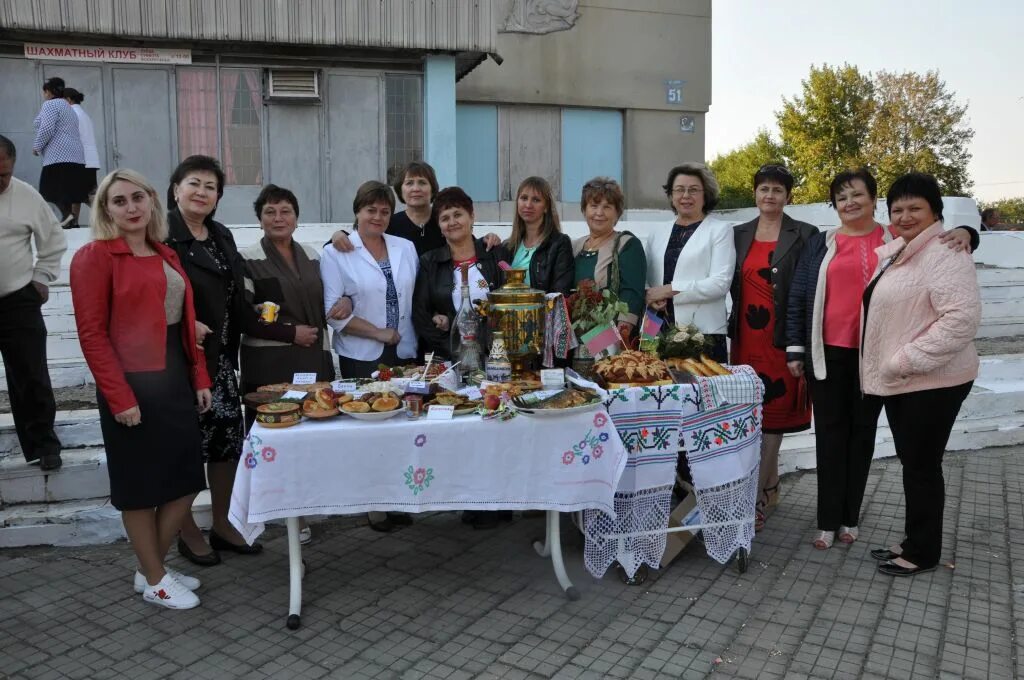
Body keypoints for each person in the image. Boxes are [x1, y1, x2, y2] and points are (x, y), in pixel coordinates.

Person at [786, 168, 977, 550]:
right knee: (829, 436)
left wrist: (969, 233)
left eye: (857, 195)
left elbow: (942, 245)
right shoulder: (820, 243)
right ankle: (826, 520)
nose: (849, 202)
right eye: (841, 197)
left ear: (875, 201)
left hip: (876, 357)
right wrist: (796, 348)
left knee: (862, 438)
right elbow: (799, 295)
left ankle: (849, 518)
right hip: (829, 354)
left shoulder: (897, 238)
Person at [70, 169, 211, 609]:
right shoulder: (95, 257)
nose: (131, 208)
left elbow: (184, 321)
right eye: (119, 201)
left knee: (186, 479)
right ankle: (154, 575)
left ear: (152, 201)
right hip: (130, 383)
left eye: (137, 198)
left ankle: (150, 567)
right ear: (106, 210)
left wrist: (200, 376)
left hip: (172, 376)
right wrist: (120, 397)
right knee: (140, 486)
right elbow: (92, 335)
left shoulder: (164, 252)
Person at [861, 172, 980, 577]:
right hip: (909, 381)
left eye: (915, 207)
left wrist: (904, 360)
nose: (905, 215)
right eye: (898, 209)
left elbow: (961, 320)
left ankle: (924, 551)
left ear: (935, 211)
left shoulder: (945, 252)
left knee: (922, 466)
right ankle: (916, 539)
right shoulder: (904, 250)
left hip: (931, 380)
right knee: (915, 464)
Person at [165, 155, 266, 566]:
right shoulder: (161, 236)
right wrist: (186, 324)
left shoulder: (220, 235)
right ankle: (185, 531)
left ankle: (223, 525)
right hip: (179, 361)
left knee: (226, 446)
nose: (202, 192)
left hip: (220, 361)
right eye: (194, 183)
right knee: (184, 449)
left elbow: (238, 291)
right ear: (175, 190)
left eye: (211, 186)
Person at [321, 180, 418, 533]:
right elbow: (334, 312)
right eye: (370, 209)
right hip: (362, 354)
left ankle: (399, 497)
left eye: (384, 211)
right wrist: (378, 332)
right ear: (357, 212)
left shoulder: (404, 247)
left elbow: (415, 296)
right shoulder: (337, 251)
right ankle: (374, 504)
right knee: (369, 430)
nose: (377, 216)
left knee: (400, 428)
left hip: (404, 350)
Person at [728, 164, 816, 531]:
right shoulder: (736, 234)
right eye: (764, 188)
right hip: (746, 338)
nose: (770, 196)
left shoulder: (806, 234)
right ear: (755, 193)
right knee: (750, 416)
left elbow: (809, 288)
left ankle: (758, 495)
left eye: (778, 190)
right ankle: (772, 484)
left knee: (773, 418)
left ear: (788, 196)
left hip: (782, 340)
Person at [0, 135, 66, 471]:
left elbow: (53, 238)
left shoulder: (26, 195)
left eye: (3, 175)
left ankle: (44, 443)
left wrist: (42, 277)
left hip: (17, 299)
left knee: (32, 375)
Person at [645, 163, 735, 362]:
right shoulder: (656, 232)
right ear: (671, 195)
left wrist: (669, 290)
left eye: (693, 190)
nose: (686, 195)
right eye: (679, 189)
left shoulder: (720, 230)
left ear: (706, 195)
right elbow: (648, 280)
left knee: (704, 392)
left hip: (703, 334)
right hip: (658, 330)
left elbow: (720, 283)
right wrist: (651, 296)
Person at [412, 186, 510, 362]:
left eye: (458, 214)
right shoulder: (429, 262)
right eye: (445, 218)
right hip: (449, 360)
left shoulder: (496, 254)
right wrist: (456, 351)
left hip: (496, 356)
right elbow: (421, 317)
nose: (452, 222)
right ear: (440, 227)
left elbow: (509, 307)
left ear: (471, 216)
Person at [572, 177, 646, 336]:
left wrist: (616, 340)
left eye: (607, 207)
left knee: (601, 362)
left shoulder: (627, 245)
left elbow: (631, 295)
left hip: (609, 337)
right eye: (594, 206)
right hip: (573, 337)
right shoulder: (574, 246)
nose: (599, 213)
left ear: (617, 213)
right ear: (584, 210)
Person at [505, 176, 574, 295]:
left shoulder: (559, 244)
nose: (528, 205)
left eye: (536, 200)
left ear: (546, 207)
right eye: (524, 198)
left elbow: (560, 294)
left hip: (541, 313)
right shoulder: (508, 246)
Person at [32, 77, 85, 227]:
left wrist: (37, 146)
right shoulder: (68, 107)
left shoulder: (50, 105)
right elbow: (39, 122)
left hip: (58, 155)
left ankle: (67, 215)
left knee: (48, 189)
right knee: (67, 190)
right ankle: (69, 220)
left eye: (44, 91)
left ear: (48, 91)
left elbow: (46, 128)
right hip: (75, 156)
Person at [63, 88, 100, 227]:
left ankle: (110, 216)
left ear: (68, 100)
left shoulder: (72, 114)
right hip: (89, 159)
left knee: (88, 195)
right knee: (77, 193)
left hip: (81, 160)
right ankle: (74, 221)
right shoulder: (82, 114)